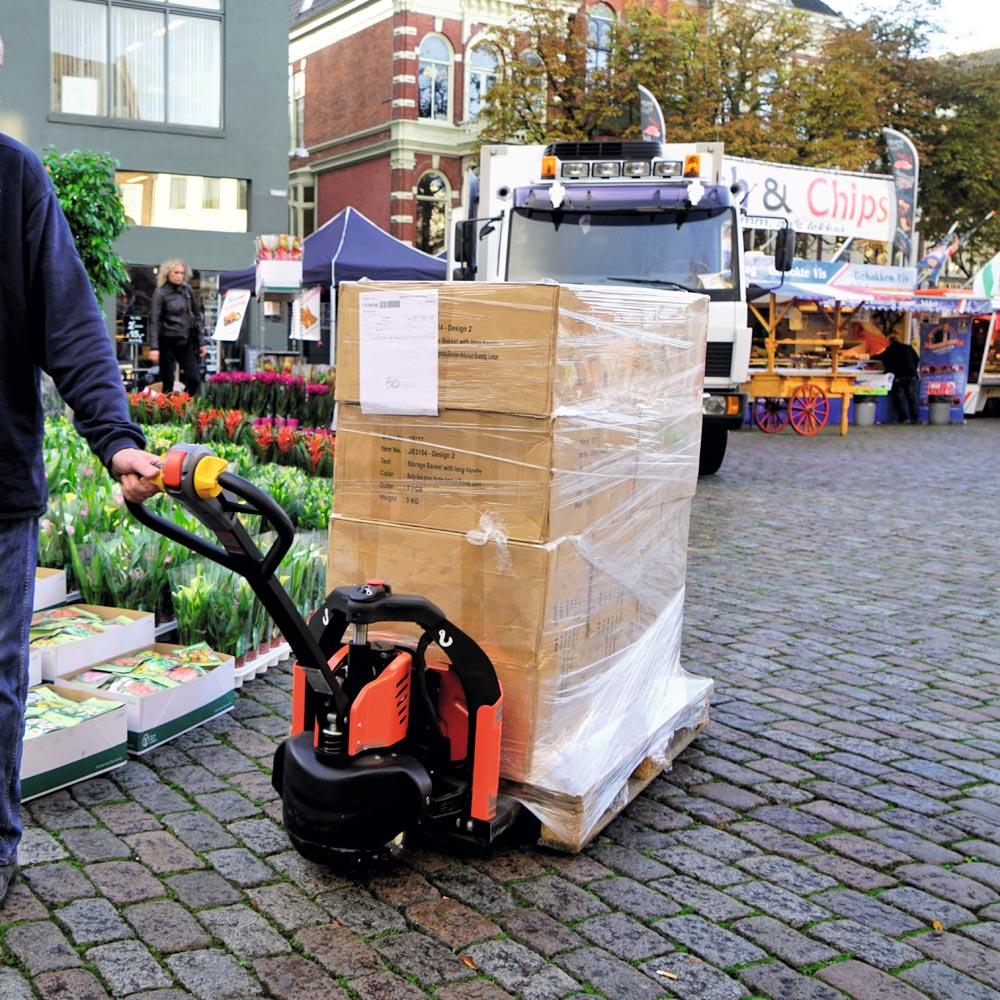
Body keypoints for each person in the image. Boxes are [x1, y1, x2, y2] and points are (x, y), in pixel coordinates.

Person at [0, 33, 162, 906]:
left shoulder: (15, 178)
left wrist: (115, 437)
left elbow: (70, 325)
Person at [149, 259, 206, 394]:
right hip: (166, 340)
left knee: (194, 379)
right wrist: (154, 347)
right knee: (168, 382)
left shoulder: (187, 290)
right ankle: (169, 411)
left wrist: (201, 341)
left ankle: (183, 404)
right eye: (176, 272)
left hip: (185, 340)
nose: (179, 276)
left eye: (182, 273)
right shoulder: (160, 292)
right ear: (168, 273)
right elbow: (154, 320)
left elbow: (197, 316)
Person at [872, 333, 921, 424]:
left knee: (899, 399)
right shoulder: (908, 348)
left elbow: (880, 357)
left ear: (889, 342)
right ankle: (915, 418)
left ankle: (904, 418)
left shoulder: (890, 350)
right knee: (912, 398)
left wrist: (870, 357)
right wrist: (913, 369)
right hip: (911, 376)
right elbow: (917, 359)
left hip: (898, 377)